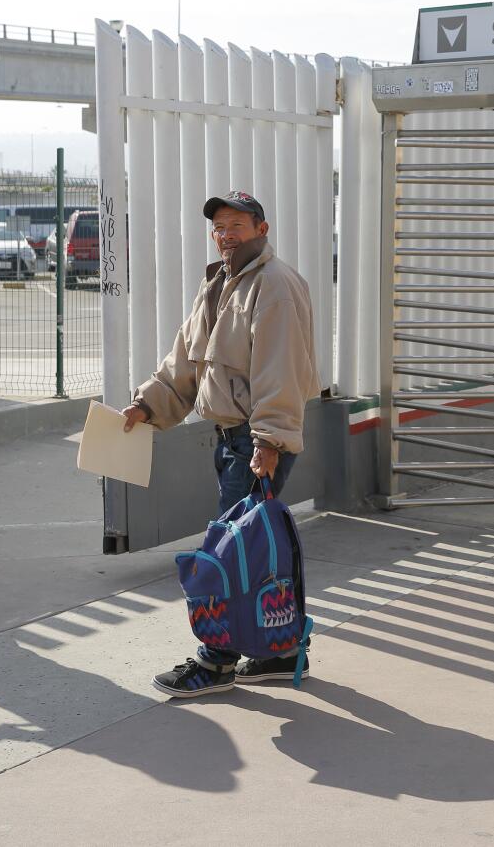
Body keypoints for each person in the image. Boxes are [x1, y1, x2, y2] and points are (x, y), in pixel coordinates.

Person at [121, 191, 320, 698]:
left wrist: (269, 441)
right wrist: (149, 404)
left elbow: (282, 369)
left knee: (230, 554)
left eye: (236, 225)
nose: (226, 234)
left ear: (262, 228)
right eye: (219, 228)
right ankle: (279, 652)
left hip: (256, 442)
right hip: (233, 440)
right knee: (249, 550)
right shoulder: (219, 284)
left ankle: (216, 661)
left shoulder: (274, 287)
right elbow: (187, 357)